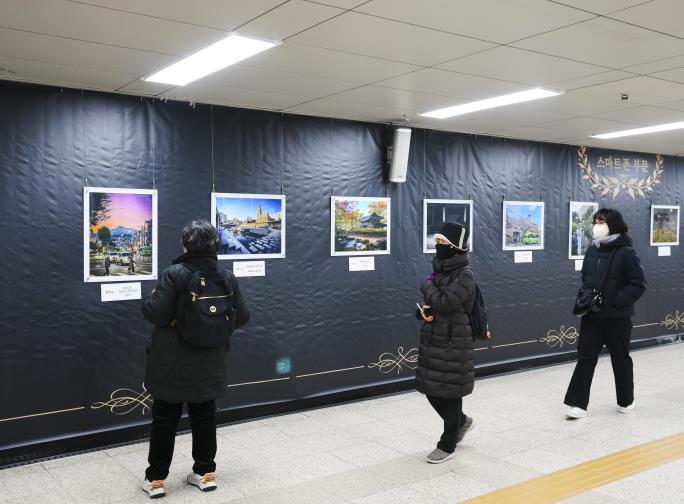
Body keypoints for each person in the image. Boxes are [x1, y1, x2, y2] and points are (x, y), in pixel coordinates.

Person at [141, 220, 250, 498]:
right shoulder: (226, 277)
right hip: (209, 362)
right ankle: (205, 473)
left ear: (185, 245)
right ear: (216, 245)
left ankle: (156, 480)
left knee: (165, 419)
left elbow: (155, 313)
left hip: (172, 362)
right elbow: (243, 317)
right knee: (204, 417)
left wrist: (151, 299)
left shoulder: (174, 274)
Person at [564, 208, 646, 419]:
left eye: (601, 222)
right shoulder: (592, 250)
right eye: (595, 222)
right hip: (592, 316)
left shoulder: (626, 253)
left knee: (620, 359)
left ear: (613, 225)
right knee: (585, 358)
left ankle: (626, 400)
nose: (596, 226)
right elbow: (586, 278)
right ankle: (577, 404)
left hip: (617, 318)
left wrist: (616, 300)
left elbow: (638, 284)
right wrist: (587, 297)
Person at [416, 222, 476, 464]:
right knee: (430, 389)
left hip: (454, 341)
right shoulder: (439, 270)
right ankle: (461, 422)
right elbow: (435, 304)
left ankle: (447, 444)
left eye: (443, 242)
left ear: (456, 246)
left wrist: (426, 287)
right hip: (433, 338)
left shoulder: (465, 275)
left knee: (450, 393)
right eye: (437, 241)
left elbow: (445, 302)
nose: (439, 246)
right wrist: (422, 311)